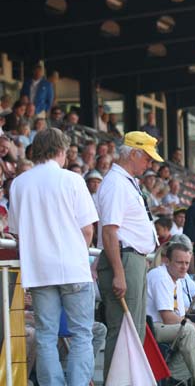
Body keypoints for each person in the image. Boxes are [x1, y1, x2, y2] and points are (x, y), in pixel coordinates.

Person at [8, 128, 98, 385]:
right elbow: (88, 229)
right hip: (73, 267)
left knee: (46, 336)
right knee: (81, 335)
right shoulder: (72, 180)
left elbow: (16, 232)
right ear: (60, 150)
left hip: (39, 270)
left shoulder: (19, 183)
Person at [95, 131, 163, 379]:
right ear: (133, 153)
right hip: (125, 259)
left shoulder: (125, 181)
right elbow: (110, 231)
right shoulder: (116, 183)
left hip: (132, 259)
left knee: (133, 331)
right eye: (147, 157)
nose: (149, 164)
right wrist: (119, 273)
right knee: (124, 331)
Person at [146, 242, 195, 385]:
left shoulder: (176, 279)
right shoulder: (161, 277)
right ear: (167, 261)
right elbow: (168, 318)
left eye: (187, 263)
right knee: (189, 330)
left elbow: (183, 316)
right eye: (179, 262)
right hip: (151, 327)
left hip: (163, 326)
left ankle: (174, 379)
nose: (184, 267)